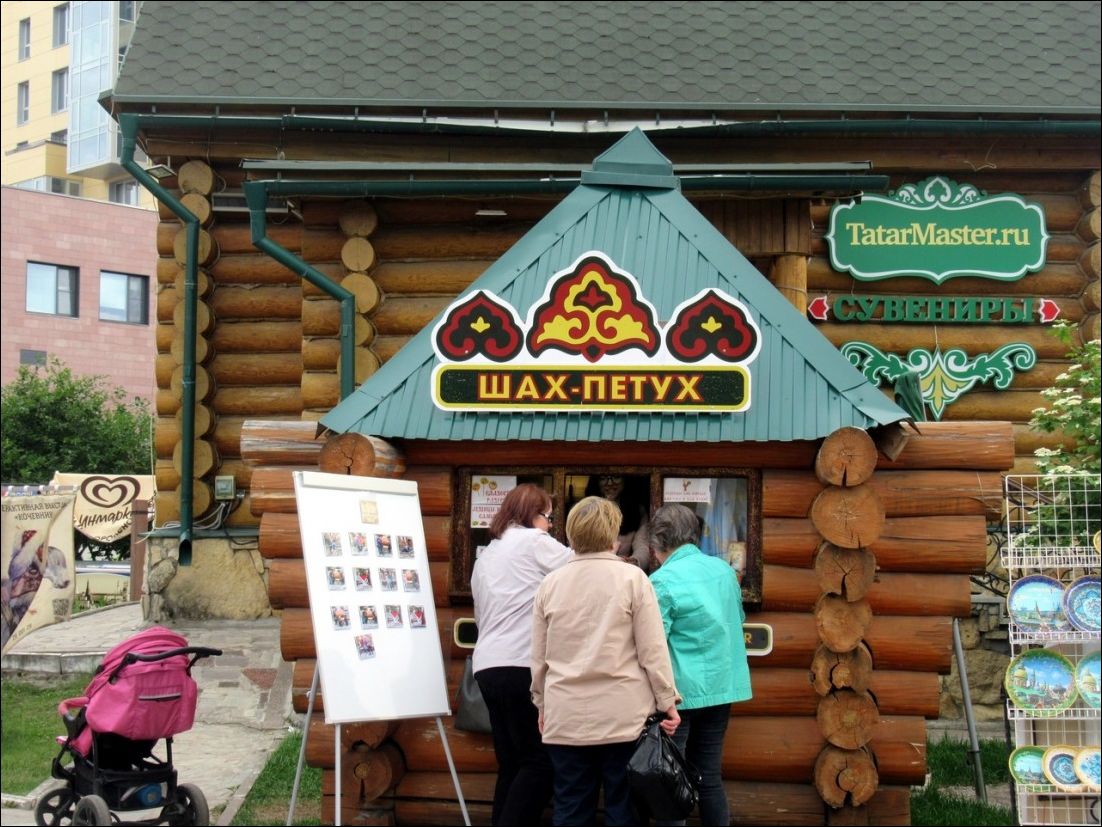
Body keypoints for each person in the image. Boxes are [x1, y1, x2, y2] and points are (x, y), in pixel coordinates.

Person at [531, 495, 680, 827]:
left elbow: (539, 657)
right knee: (624, 810)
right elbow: (652, 650)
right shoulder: (633, 579)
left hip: (566, 714)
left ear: (571, 532)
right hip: (624, 716)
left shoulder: (549, 584)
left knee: (570, 808)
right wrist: (667, 701)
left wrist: (541, 704)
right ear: (613, 533)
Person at [471, 483, 573, 826]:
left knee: (511, 763)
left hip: (486, 666)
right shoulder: (534, 541)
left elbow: (481, 614)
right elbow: (580, 565)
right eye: (548, 517)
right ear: (532, 515)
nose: (550, 526)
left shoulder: (486, 555)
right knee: (540, 762)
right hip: (520, 663)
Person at [647, 503, 752, 827]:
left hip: (679, 695)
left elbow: (653, 643)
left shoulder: (661, 581)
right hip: (721, 688)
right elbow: (738, 619)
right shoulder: (725, 571)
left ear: (658, 542)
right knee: (709, 775)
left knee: (670, 780)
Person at [585, 474, 652, 570]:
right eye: (603, 478)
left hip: (624, 569)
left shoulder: (638, 511)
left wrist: (634, 561)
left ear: (626, 480)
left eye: (616, 477)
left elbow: (642, 545)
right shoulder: (584, 511)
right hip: (592, 568)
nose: (609, 483)